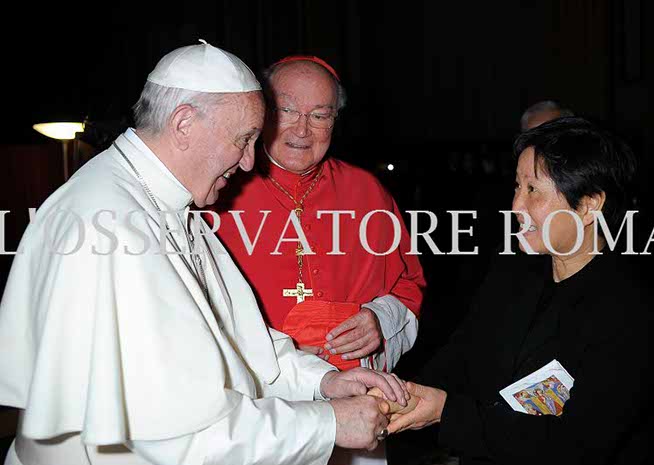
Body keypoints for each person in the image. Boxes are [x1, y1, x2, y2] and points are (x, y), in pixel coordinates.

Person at [0, 41, 409, 465]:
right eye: (244, 139)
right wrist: (328, 424)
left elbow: (235, 336)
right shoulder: (113, 227)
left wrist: (320, 382)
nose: (249, 162)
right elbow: (179, 436)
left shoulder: (167, 203)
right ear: (184, 124)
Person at [388, 117, 654, 464]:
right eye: (517, 186)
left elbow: (577, 444)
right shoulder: (512, 271)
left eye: (533, 190)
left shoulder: (629, 314)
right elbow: (463, 352)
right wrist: (405, 395)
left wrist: (448, 413)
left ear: (588, 205)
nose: (516, 206)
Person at [214, 55, 425, 464]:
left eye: (319, 115)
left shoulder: (368, 191)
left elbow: (408, 285)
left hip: (353, 402)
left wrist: (379, 319)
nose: (302, 129)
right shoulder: (219, 191)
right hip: (258, 407)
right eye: (287, 111)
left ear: (335, 120)